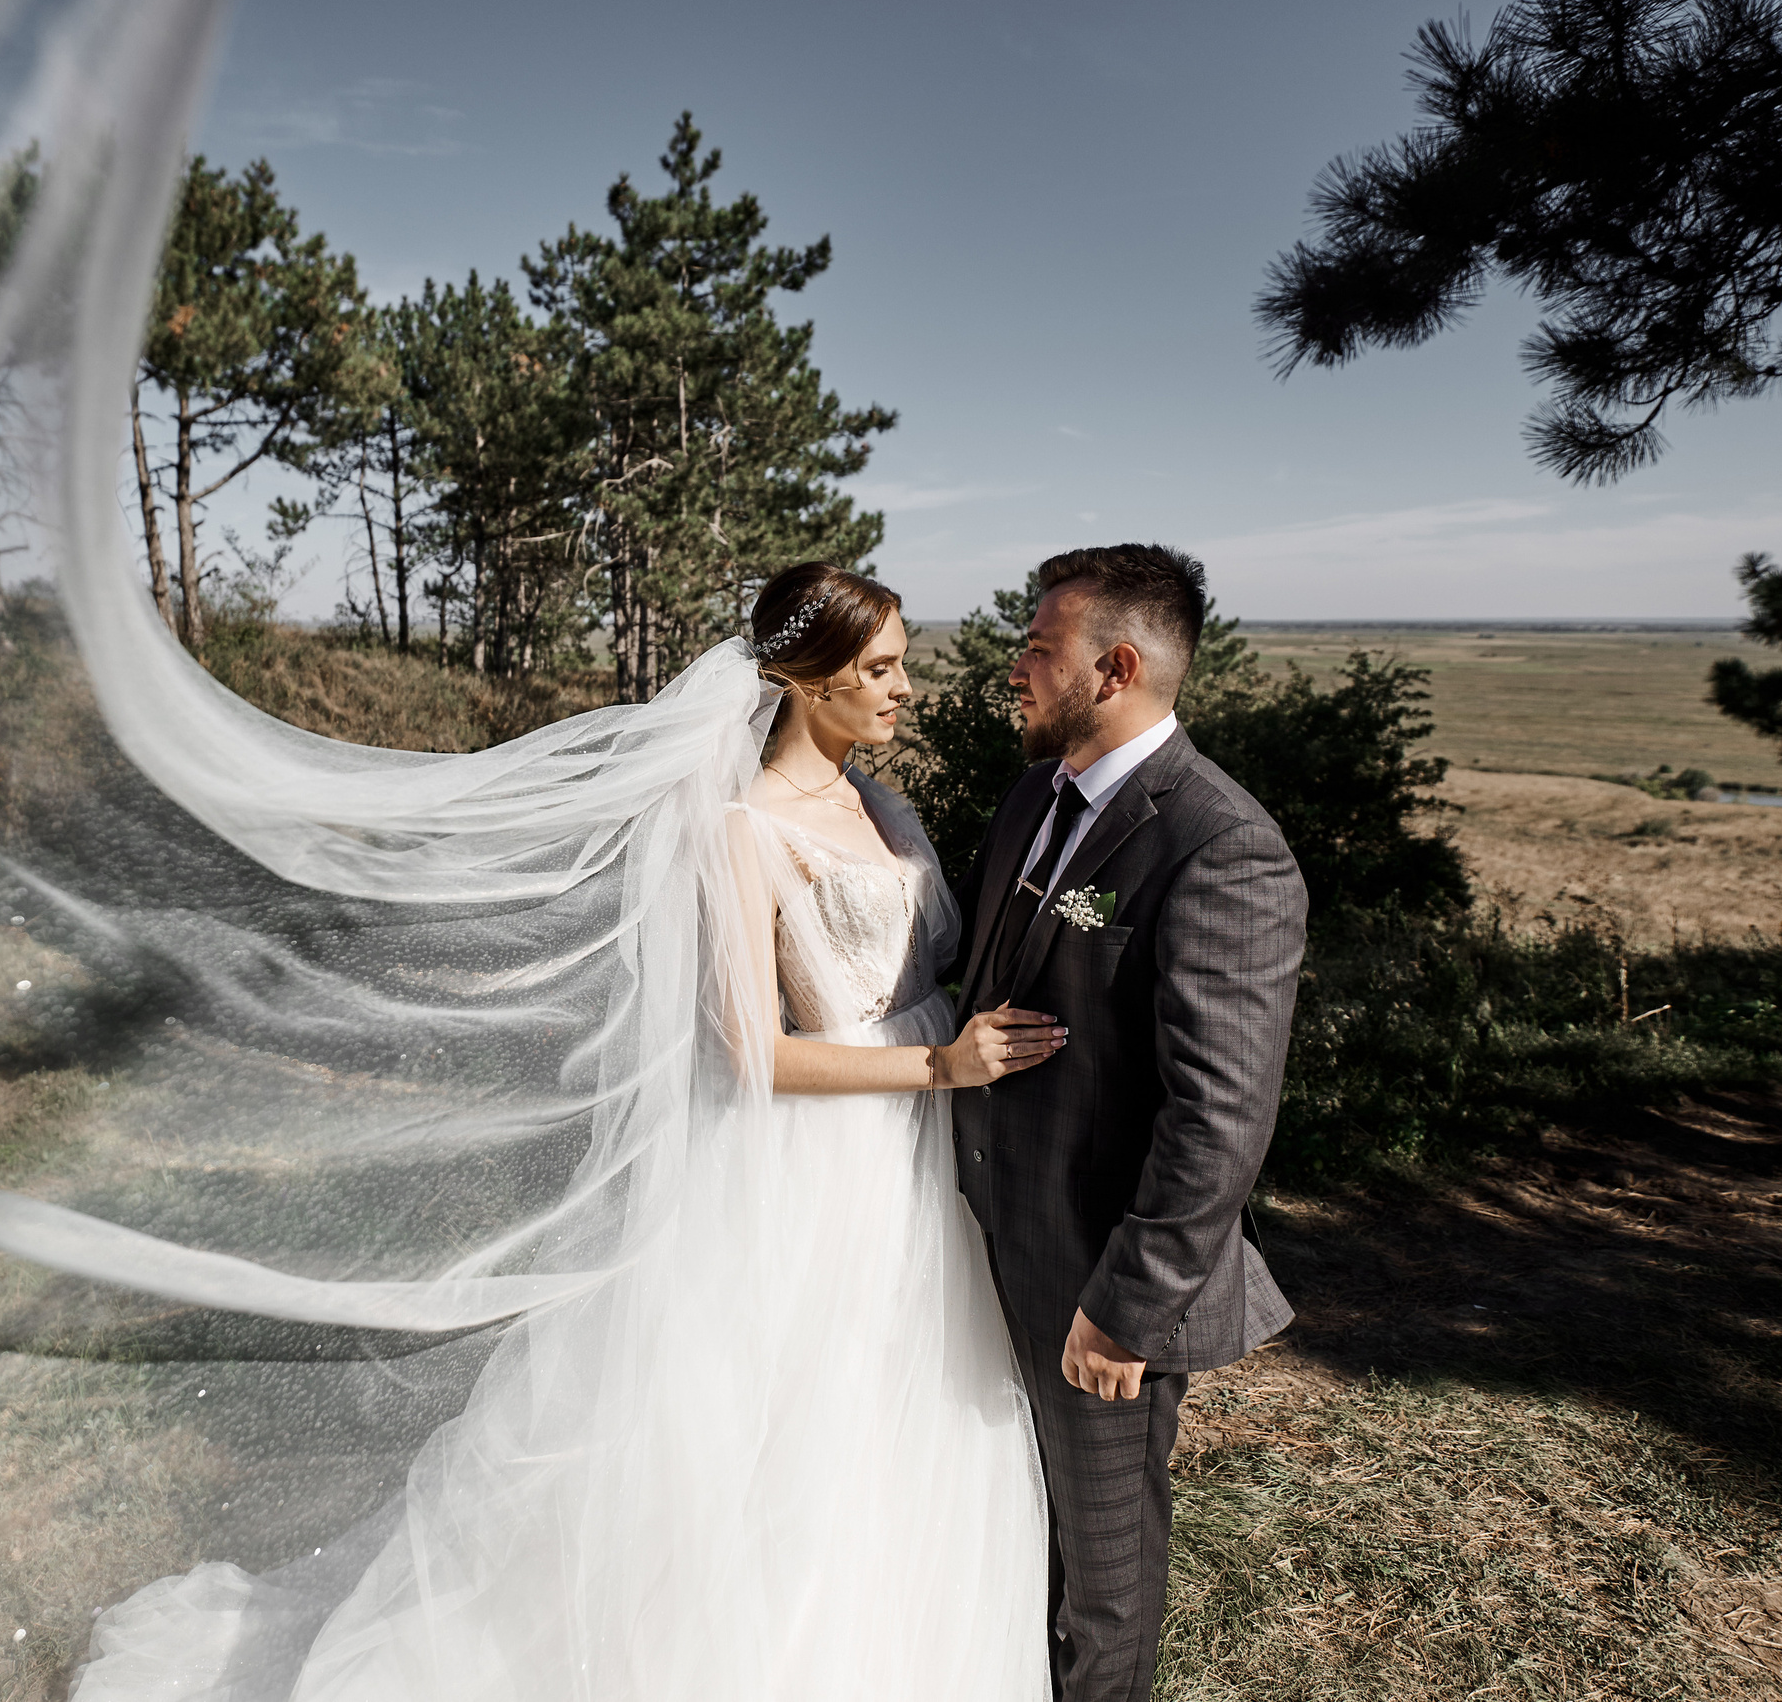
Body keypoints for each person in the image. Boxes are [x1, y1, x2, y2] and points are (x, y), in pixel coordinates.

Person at [75, 562, 1067, 1701]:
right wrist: (936, 1062)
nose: (906, 687)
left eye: (902, 662)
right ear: (802, 679)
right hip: (825, 1154)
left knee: (903, 1413)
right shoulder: (742, 827)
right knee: (788, 1421)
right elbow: (752, 1048)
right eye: (880, 668)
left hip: (918, 1149)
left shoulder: (881, 805)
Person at [951, 543, 1306, 1702]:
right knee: (1011, 1525)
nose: (1016, 668)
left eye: (1038, 649)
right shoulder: (1031, 797)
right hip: (990, 1239)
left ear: (1112, 667)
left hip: (1101, 1278)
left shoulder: (1218, 843)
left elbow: (1219, 1115)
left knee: (1097, 1583)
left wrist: (1124, 1307)